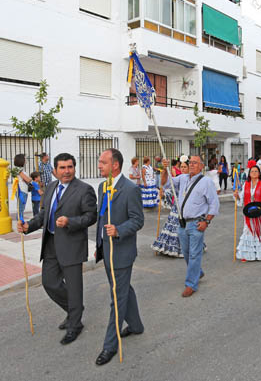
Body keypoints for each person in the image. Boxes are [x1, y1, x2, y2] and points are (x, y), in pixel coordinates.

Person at [18, 153, 97, 345]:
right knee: (49, 283)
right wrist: (29, 226)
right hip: (51, 243)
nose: (66, 171)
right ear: (55, 170)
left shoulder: (84, 189)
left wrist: (71, 221)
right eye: (62, 168)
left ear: (74, 168)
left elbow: (91, 216)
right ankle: (73, 310)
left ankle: (75, 324)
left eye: (70, 167)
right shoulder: (51, 187)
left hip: (72, 244)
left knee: (74, 288)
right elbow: (44, 214)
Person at [95, 148, 144, 366]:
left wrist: (119, 230)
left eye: (102, 162)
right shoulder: (102, 187)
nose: (99, 165)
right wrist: (99, 244)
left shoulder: (130, 189)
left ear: (115, 165)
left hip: (122, 252)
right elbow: (101, 217)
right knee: (123, 290)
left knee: (117, 298)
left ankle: (109, 346)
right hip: (106, 251)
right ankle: (135, 326)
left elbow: (138, 220)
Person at [161, 155, 219, 298]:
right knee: (186, 253)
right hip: (182, 223)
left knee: (194, 254)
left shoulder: (206, 182)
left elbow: (214, 203)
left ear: (201, 166)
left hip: (196, 223)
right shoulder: (182, 178)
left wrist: (207, 221)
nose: (192, 165)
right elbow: (165, 183)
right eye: (190, 162)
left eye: (195, 163)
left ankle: (191, 284)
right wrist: (164, 169)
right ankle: (197, 272)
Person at [234, 163, 261, 261]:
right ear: (249, 173)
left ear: (259, 173)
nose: (254, 173)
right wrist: (237, 196)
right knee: (248, 230)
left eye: (256, 171)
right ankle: (247, 254)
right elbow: (242, 197)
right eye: (252, 171)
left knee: (259, 230)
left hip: (259, 211)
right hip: (248, 212)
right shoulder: (246, 184)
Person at [151, 160, 189, 258]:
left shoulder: (192, 180)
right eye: (182, 167)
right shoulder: (178, 179)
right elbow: (166, 184)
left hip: (188, 210)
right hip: (176, 209)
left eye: (185, 167)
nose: (183, 169)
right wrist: (165, 169)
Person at [13, 154, 31, 220]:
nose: (26, 160)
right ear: (21, 160)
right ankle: (20, 222)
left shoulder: (20, 169)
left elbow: (26, 179)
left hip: (23, 190)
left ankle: (20, 221)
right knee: (21, 207)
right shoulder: (18, 169)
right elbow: (28, 179)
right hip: (21, 190)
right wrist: (30, 178)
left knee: (21, 207)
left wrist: (28, 179)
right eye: (25, 158)